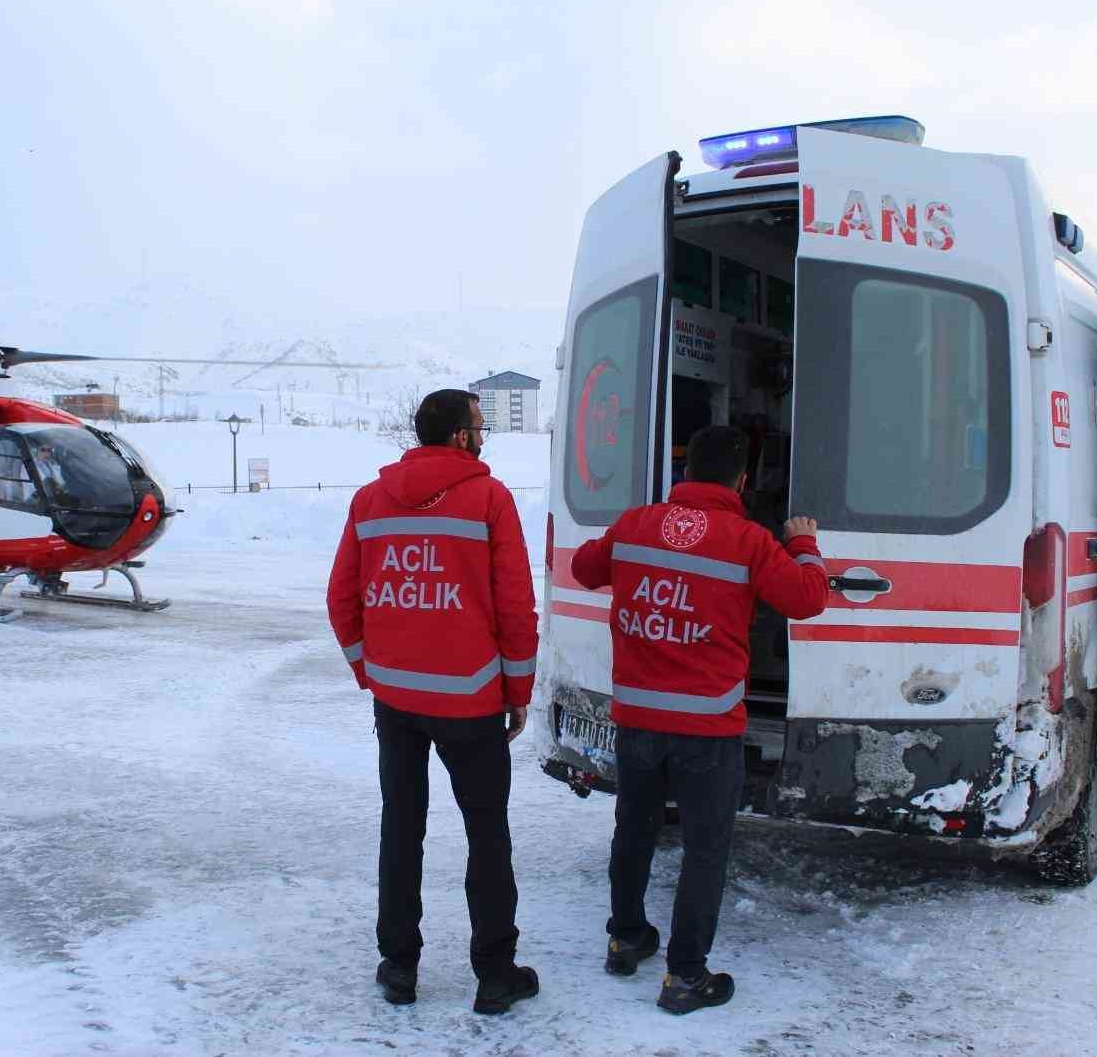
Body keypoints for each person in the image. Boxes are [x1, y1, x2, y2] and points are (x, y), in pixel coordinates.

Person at [571, 425, 829, 1015]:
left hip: (637, 718)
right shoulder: (750, 540)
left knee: (633, 831)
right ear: (742, 480)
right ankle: (685, 977)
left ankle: (626, 938)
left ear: (685, 473)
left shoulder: (636, 525)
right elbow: (808, 599)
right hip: (707, 729)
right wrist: (804, 543)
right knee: (704, 849)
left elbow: (586, 570)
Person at [326, 388, 540, 1015]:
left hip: (397, 701)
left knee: (401, 828)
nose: (483, 435)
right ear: (457, 436)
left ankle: (398, 966)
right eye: (479, 425)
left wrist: (372, 671)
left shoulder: (369, 500)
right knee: (487, 834)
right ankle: (495, 974)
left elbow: (343, 599)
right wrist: (517, 690)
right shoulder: (489, 499)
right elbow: (513, 607)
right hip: (473, 701)